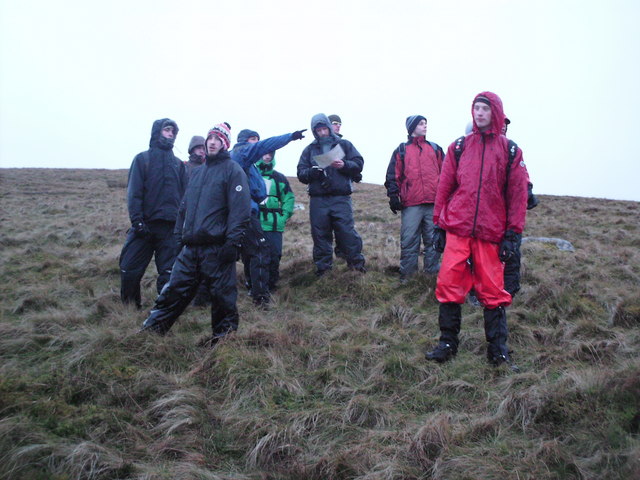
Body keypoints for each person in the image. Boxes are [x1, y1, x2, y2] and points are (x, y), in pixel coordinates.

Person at [425, 92, 529, 371]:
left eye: (484, 109)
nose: (479, 113)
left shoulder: (510, 150)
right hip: (458, 229)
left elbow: (518, 196)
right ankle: (447, 344)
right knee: (448, 286)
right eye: (476, 108)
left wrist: (513, 234)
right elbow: (444, 188)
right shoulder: (458, 147)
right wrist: (439, 224)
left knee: (494, 291)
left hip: (490, 232)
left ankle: (498, 351)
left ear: (495, 112)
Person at [140, 123, 251, 343]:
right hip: (190, 248)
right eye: (210, 138)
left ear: (225, 144)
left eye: (218, 139)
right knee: (174, 291)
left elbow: (240, 211)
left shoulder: (233, 170)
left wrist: (232, 243)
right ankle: (151, 333)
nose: (212, 142)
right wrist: (180, 238)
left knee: (222, 297)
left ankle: (223, 341)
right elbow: (184, 207)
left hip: (218, 248)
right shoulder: (198, 172)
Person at [230, 127, 307, 307]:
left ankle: (251, 290)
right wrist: (290, 136)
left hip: (244, 213)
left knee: (250, 252)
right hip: (245, 213)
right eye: (253, 140)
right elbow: (267, 145)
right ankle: (260, 296)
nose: (257, 145)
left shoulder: (242, 160)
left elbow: (265, 192)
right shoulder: (243, 152)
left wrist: (280, 214)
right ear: (244, 140)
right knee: (259, 250)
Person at [119, 118, 187, 309]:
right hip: (144, 227)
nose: (170, 134)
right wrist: (137, 221)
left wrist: (182, 225)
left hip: (170, 229)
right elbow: (134, 193)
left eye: (173, 132)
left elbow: (185, 198)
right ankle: (130, 309)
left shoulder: (179, 165)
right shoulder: (142, 159)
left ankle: (163, 312)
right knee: (129, 269)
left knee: (169, 274)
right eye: (167, 130)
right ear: (157, 132)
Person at [297, 113, 366, 276]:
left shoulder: (344, 145)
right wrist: (312, 173)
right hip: (318, 200)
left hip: (341, 198)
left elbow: (359, 163)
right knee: (320, 235)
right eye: (318, 130)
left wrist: (344, 165)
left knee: (347, 232)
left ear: (329, 127)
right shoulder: (309, 150)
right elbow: (300, 173)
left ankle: (356, 266)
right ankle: (323, 270)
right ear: (315, 131)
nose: (322, 132)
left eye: (324, 129)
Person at [385, 115, 444, 282]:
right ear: (411, 128)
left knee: (434, 241)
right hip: (411, 203)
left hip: (433, 203)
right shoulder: (401, 150)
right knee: (409, 240)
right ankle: (408, 277)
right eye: (421, 123)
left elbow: (446, 174)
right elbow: (392, 175)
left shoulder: (435, 149)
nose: (425, 126)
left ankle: (431, 275)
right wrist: (393, 196)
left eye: (426, 123)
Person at [256, 151, 295, 291]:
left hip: (274, 226)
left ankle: (271, 286)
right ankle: (256, 287)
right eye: (264, 154)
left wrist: (283, 216)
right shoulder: (251, 175)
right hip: (255, 224)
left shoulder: (279, 178)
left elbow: (288, 198)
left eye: (270, 155)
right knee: (256, 257)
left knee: (274, 255)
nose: (267, 157)